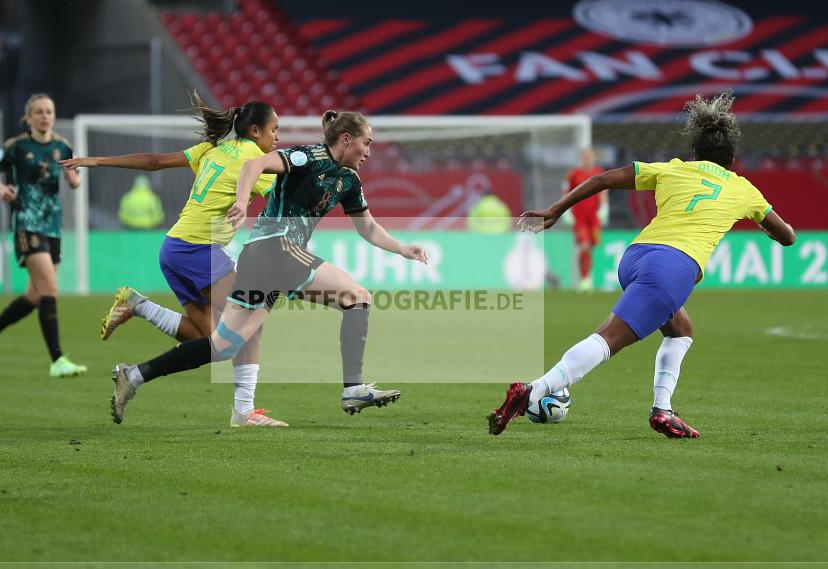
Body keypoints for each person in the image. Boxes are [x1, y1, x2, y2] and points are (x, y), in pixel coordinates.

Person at [488, 92, 796, 439]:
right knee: (609, 340)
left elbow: (603, 179)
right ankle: (533, 389)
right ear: (733, 159)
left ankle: (663, 409)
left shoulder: (674, 169)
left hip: (636, 257)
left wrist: (556, 210)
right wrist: (762, 221)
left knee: (680, 330)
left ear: (695, 154)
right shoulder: (745, 190)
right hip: (672, 269)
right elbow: (787, 236)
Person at [106, 110, 429, 425]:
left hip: (260, 259)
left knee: (223, 345)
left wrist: (403, 248)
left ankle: (134, 375)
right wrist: (241, 199)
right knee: (357, 297)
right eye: (366, 143)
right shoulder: (308, 157)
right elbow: (254, 164)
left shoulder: (349, 180)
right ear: (346, 139)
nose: (369, 152)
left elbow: (368, 228)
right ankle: (353, 389)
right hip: (277, 248)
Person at [59, 94, 286, 427]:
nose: (276, 137)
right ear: (255, 131)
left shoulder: (212, 149)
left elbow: (154, 161)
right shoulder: (257, 158)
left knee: (207, 340)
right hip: (198, 249)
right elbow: (287, 198)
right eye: (274, 129)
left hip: (174, 248)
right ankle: (244, 411)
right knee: (249, 321)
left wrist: (96, 161)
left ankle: (134, 355)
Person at [0, 93, 87, 378]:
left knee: (36, 295)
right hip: (26, 223)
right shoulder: (15, 146)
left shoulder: (63, 146)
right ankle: (58, 360)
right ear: (29, 117)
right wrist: (2, 190)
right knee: (49, 287)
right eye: (38, 112)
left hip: (53, 226)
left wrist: (74, 180)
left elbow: (75, 180)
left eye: (49, 111)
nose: (45, 116)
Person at [562, 148, 609, 291]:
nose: (587, 159)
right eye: (585, 156)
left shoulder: (600, 172)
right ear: (581, 158)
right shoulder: (573, 174)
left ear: (593, 157)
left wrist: (604, 206)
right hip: (579, 216)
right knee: (584, 245)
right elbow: (566, 191)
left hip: (594, 216)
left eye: (590, 156)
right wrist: (567, 211)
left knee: (591, 247)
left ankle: (586, 274)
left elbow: (603, 191)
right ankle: (585, 278)